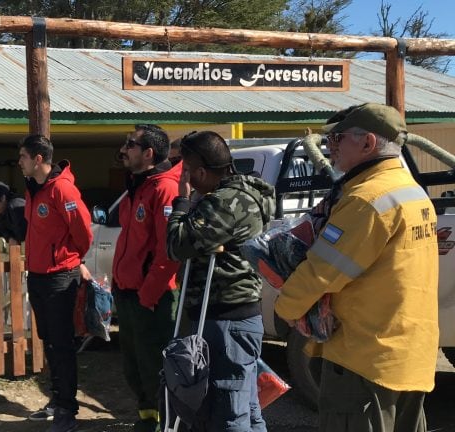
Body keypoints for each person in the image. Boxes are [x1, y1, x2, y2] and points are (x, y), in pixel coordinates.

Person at [274, 103, 439, 432]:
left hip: (364, 359)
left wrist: (287, 307)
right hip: (410, 356)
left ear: (368, 144)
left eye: (338, 139)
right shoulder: (412, 192)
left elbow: (322, 271)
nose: (330, 148)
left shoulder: (367, 199)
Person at [166, 131, 274, 432]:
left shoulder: (226, 203)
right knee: (246, 408)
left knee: (228, 414)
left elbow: (177, 244)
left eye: (185, 167)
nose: (182, 173)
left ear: (200, 172)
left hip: (225, 318)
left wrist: (183, 201)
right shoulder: (242, 193)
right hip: (234, 317)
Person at [19, 135, 92, 432]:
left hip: (59, 277)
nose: (19, 162)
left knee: (61, 346)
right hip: (38, 276)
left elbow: (83, 232)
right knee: (49, 342)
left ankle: (66, 410)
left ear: (38, 159)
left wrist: (70, 259)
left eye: (23, 156)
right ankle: (58, 399)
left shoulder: (62, 188)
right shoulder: (32, 189)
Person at [112, 124, 181, 432]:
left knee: (155, 366)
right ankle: (147, 420)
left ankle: (165, 423)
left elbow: (168, 251)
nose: (124, 150)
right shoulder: (136, 187)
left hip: (151, 298)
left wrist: (148, 295)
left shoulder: (164, 188)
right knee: (134, 367)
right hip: (128, 294)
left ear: (148, 153)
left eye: (131, 144)